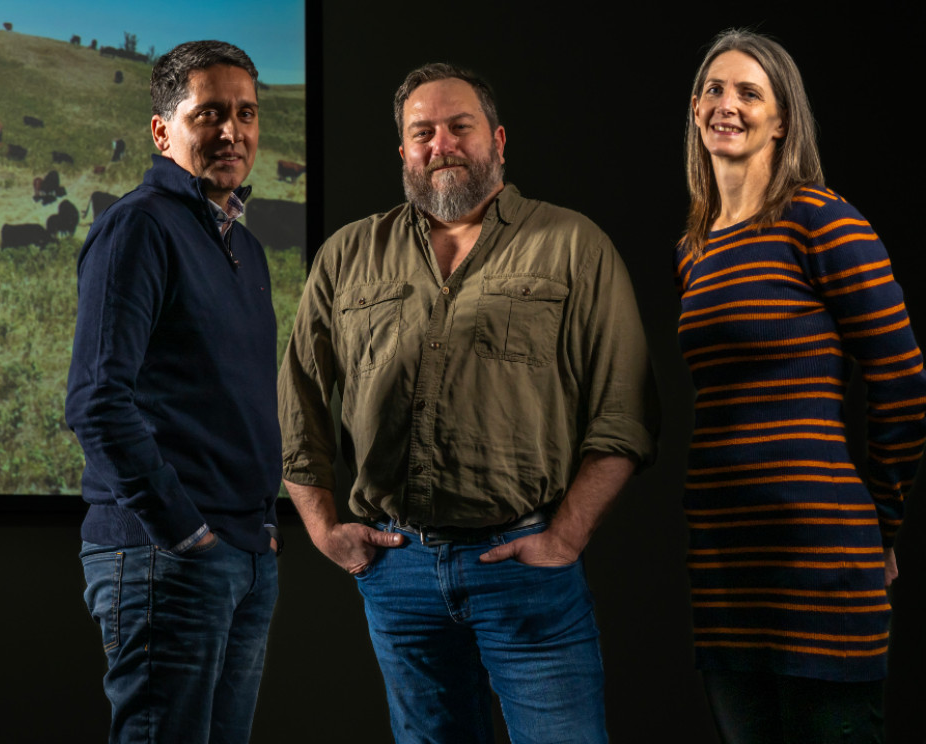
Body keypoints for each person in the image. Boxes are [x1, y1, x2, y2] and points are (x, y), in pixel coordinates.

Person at [279, 62, 658, 743]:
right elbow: (297, 399)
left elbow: (625, 410)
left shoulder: (574, 246)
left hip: (525, 569)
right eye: (422, 132)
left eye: (461, 127)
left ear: (499, 140)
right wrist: (321, 527)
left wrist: (566, 535)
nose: (442, 144)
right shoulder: (348, 255)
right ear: (403, 151)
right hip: (396, 575)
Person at [675, 29, 926, 743]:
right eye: (715, 90)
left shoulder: (821, 220)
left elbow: (904, 381)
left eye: (749, 92)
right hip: (725, 560)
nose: (728, 104)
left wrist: (881, 522)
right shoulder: (693, 250)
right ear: (695, 110)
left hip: (817, 556)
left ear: (782, 119)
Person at [66, 40, 281, 744]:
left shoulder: (241, 247)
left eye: (245, 114)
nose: (232, 132)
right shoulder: (140, 225)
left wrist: (256, 533)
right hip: (167, 557)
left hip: (242, 556)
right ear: (162, 130)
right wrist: (186, 532)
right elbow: (97, 400)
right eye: (210, 113)